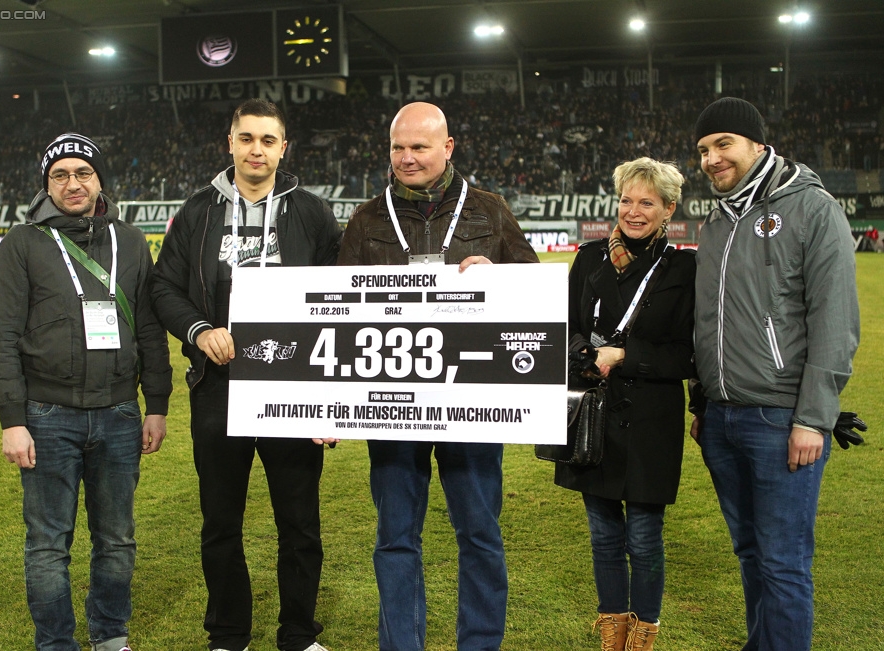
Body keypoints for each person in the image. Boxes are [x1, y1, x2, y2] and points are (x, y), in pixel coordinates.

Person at [336, 101, 539, 651]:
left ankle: (479, 644)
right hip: (392, 404)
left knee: (479, 534)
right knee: (395, 538)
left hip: (471, 405)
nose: (406, 158)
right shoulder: (366, 218)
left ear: (447, 148)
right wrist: (323, 400)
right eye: (398, 148)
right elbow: (331, 314)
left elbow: (536, 294)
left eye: (419, 147)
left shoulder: (490, 211)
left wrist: (502, 278)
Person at [150, 99, 342, 651]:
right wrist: (199, 329)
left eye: (268, 140)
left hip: (293, 387)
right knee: (220, 522)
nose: (256, 149)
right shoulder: (197, 211)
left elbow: (341, 294)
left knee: (299, 523)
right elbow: (164, 287)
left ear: (285, 148)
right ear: (230, 143)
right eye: (247, 138)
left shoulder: (310, 212)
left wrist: (336, 396)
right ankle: (228, 634)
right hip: (219, 388)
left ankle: (299, 635)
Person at [0, 133, 173, 651]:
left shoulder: (131, 242)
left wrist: (155, 406)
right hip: (46, 416)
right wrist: (12, 418)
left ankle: (111, 636)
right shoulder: (23, 243)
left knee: (117, 541)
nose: (73, 184)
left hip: (117, 413)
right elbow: (1, 336)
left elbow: (152, 331)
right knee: (48, 545)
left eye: (83, 173)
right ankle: (56, 643)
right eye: (60, 176)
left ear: (99, 180)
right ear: (46, 186)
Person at [690, 97, 859, 651]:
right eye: (703, 150)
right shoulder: (717, 220)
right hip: (721, 419)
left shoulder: (812, 207)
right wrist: (702, 403)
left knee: (783, 562)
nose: (712, 159)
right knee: (751, 553)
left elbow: (834, 319)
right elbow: (707, 322)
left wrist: (814, 417)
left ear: (758, 145)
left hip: (781, 419)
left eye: (723, 145)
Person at [555, 158, 694, 651]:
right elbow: (563, 327)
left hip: (651, 419)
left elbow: (685, 352)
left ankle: (644, 635)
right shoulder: (590, 257)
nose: (633, 212)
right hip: (593, 413)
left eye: (647, 203)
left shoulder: (682, 267)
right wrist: (584, 354)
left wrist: (626, 355)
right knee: (603, 536)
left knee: (644, 537)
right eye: (626, 201)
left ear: (669, 209)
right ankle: (612, 633)